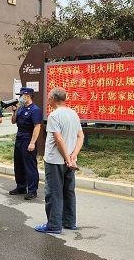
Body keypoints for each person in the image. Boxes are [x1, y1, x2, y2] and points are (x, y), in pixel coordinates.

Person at [35, 87, 84, 234]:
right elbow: (80, 136)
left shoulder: (54, 116)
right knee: (68, 191)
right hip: (70, 161)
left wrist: (67, 158)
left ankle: (54, 225)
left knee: (54, 192)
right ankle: (69, 222)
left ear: (52, 98)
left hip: (55, 160)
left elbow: (58, 139)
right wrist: (73, 156)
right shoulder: (73, 113)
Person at [9, 87, 43, 200]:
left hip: (28, 138)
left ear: (27, 96)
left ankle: (32, 190)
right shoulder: (20, 108)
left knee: (30, 166)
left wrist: (32, 142)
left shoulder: (35, 110)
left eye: (21, 95)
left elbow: (37, 127)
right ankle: (21, 186)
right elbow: (13, 121)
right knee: (18, 164)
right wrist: (14, 111)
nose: (19, 98)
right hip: (19, 138)